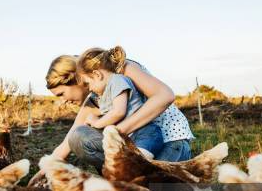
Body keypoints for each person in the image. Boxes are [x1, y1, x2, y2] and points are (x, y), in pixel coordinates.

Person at [42, 46, 194, 171]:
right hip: (135, 144)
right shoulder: (94, 97)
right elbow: (66, 144)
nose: (62, 101)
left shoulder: (121, 69)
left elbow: (165, 95)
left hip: (167, 139)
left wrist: (116, 133)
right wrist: (44, 170)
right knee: (78, 137)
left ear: (76, 78)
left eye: (61, 94)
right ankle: (122, 180)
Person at [77, 48, 164, 161]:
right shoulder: (107, 91)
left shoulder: (117, 81)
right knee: (127, 166)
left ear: (97, 74)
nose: (89, 88)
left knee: (138, 166)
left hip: (145, 134)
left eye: (88, 83)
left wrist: (97, 123)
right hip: (131, 137)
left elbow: (118, 112)